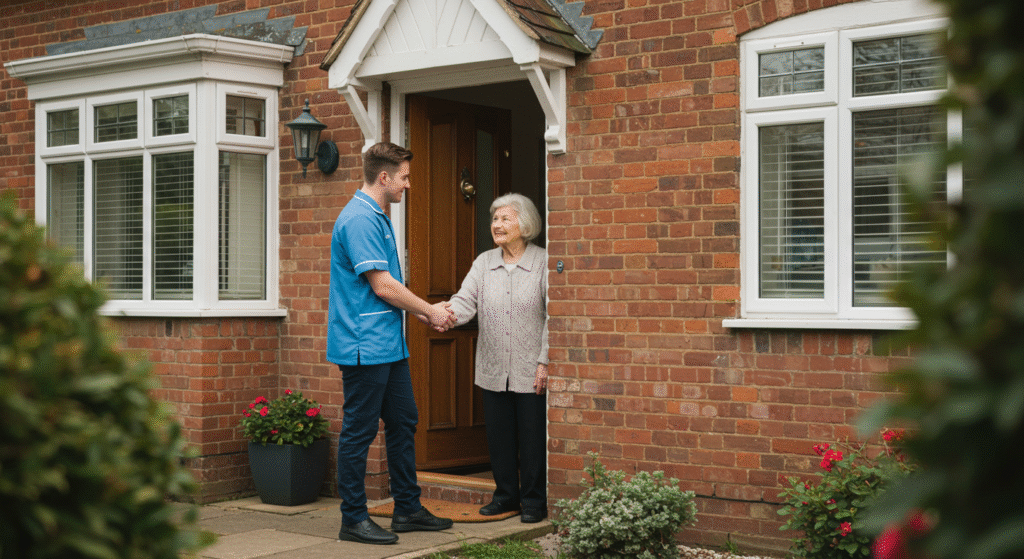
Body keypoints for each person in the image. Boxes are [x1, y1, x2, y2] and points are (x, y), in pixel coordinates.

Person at [327, 141, 456, 545]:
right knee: (359, 432)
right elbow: (382, 285)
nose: (408, 185)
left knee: (403, 421)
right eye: (404, 177)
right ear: (384, 177)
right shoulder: (360, 220)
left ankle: (408, 508)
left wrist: (418, 312)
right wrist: (431, 311)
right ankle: (353, 519)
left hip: (388, 344)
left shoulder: (377, 215)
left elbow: (389, 286)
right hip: (364, 345)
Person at [448, 193, 550, 524]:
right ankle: (506, 497)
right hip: (492, 367)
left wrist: (544, 361)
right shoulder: (483, 263)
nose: (497, 225)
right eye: (495, 219)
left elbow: (554, 316)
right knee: (500, 436)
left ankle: (534, 500)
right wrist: (438, 314)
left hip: (529, 366)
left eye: (505, 219)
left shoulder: (543, 263)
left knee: (533, 437)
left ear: (526, 224)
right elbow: (465, 301)